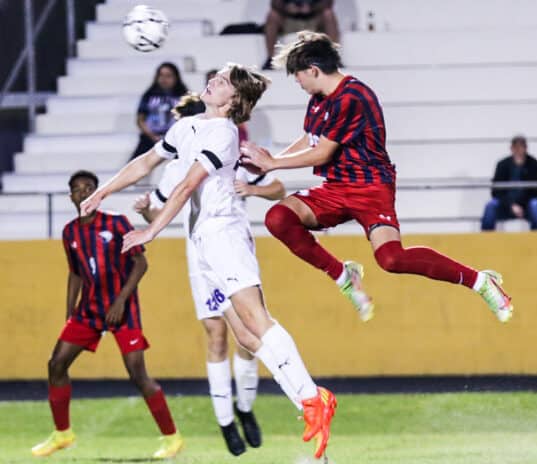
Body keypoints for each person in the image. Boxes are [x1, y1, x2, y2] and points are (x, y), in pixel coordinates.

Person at [80, 63, 337, 460]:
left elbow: (187, 186)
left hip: (223, 232)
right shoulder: (187, 127)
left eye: (222, 82)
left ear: (234, 100)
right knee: (245, 336)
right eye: (215, 78)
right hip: (202, 240)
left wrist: (151, 230)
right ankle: (308, 401)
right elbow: (146, 162)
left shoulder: (223, 133)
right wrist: (103, 193)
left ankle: (313, 398)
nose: (212, 82)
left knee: (256, 319)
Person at [240, 31, 513, 324]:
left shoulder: (352, 97)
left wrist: (273, 164)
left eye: (298, 75)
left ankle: (480, 281)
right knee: (278, 218)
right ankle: (343, 274)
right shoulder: (320, 98)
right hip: (337, 187)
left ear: (313, 70)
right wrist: (272, 160)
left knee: (392, 260)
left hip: (371, 187)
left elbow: (322, 153)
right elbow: (311, 139)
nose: (297, 82)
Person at [132, 95, 286, 456]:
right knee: (216, 334)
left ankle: (245, 408)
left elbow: (278, 188)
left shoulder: (229, 148)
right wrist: (145, 214)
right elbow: (158, 215)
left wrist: (253, 189)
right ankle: (226, 422)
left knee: (248, 334)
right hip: (199, 255)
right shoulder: (174, 171)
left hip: (232, 247)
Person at [31, 171, 183, 459]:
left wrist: (121, 301)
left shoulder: (116, 223)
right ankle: (62, 433)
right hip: (88, 311)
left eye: (89, 188)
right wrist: (70, 314)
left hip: (123, 310)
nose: (83, 192)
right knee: (56, 364)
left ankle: (171, 438)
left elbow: (140, 263)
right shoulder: (70, 232)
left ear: (98, 193)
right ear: (71, 196)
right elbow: (75, 273)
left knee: (138, 374)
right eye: (77, 189)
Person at [481, 135, 537, 231]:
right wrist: (511, 205)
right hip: (506, 205)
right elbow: (496, 191)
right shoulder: (502, 165)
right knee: (491, 205)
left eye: (521, 147)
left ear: (526, 148)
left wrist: (522, 205)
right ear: (511, 149)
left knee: (536, 204)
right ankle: (485, 240)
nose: (518, 150)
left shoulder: (534, 164)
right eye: (515, 147)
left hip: (527, 205)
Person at [131, 62, 189, 160]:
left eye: (168, 76)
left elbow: (189, 120)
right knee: (134, 163)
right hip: (150, 137)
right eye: (161, 75)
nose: (164, 79)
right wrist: (153, 136)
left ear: (176, 77)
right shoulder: (149, 95)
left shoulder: (184, 97)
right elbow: (140, 119)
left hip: (176, 138)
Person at [262, 1, 339, 70]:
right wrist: (287, 8)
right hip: (289, 20)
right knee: (272, 15)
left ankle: (333, 57)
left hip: (313, 19)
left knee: (328, 14)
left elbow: (328, 3)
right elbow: (274, 3)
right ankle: (271, 59)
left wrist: (312, 8)